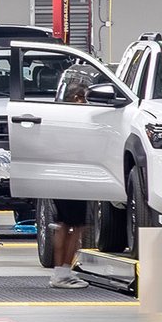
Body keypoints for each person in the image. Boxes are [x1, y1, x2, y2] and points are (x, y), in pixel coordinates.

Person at [44, 63, 97, 289]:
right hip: (73, 176)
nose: (86, 103)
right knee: (76, 226)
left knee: (64, 224)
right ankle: (63, 273)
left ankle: (60, 272)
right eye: (84, 98)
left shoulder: (57, 118)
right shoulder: (77, 119)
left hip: (59, 175)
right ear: (76, 98)